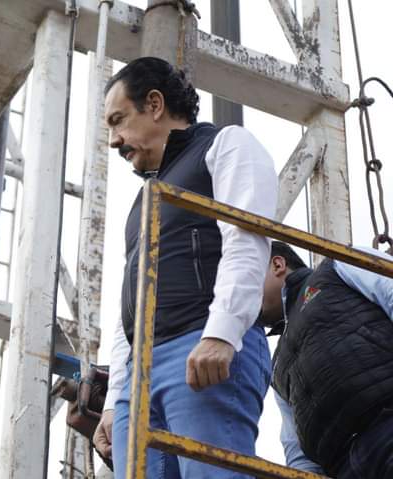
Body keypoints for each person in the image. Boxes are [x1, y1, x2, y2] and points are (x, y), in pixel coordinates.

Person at [92, 56, 278, 478]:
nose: (114, 140)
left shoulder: (225, 145)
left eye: (118, 120)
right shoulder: (143, 203)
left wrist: (221, 334)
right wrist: (115, 397)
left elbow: (246, 241)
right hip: (139, 376)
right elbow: (133, 310)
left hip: (201, 348)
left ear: (154, 104)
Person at [260, 241, 393, 478]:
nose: (235, 291)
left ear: (277, 264)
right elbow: (295, 446)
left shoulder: (339, 264)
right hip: (345, 468)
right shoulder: (277, 364)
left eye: (244, 275)